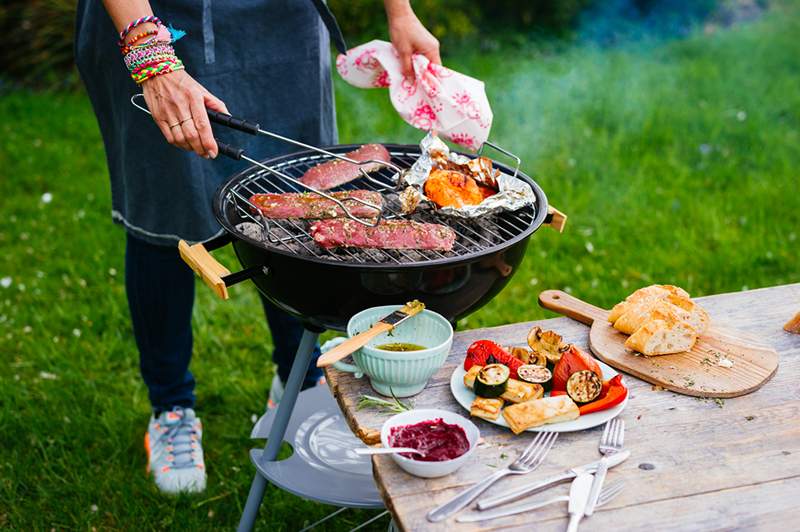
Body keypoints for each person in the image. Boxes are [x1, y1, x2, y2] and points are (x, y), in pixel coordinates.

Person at [75, 0, 440, 494]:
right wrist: (149, 53)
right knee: (163, 214)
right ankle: (172, 409)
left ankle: (298, 385)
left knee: (306, 202)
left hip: (280, 24)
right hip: (151, 17)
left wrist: (399, 11)